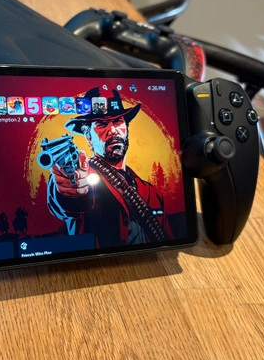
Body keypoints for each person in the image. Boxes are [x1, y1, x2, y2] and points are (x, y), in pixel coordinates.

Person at [46, 88, 171, 246]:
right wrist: (71, 190)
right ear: (88, 137)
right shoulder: (82, 173)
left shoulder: (151, 192)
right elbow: (69, 200)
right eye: (102, 124)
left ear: (126, 129)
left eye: (118, 121)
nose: (113, 130)